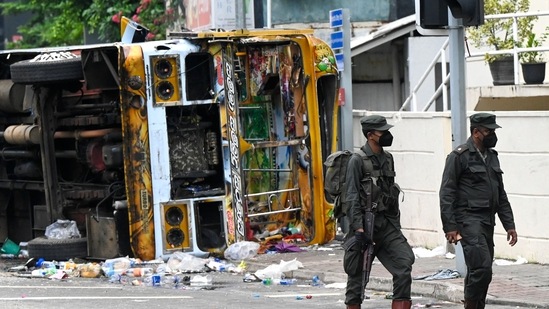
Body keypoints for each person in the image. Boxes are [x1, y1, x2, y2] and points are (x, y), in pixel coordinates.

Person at [439, 113, 518, 309]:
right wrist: (450, 226)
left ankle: (475, 305)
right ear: (476, 132)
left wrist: (509, 224)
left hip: (486, 222)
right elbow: (446, 193)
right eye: (488, 131)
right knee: (482, 268)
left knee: (480, 269)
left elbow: (500, 194)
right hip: (468, 220)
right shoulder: (459, 156)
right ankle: (470, 305)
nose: (492, 135)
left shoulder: (492, 157)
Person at [343, 115, 414, 309]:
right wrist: (358, 228)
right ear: (370, 135)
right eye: (382, 131)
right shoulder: (357, 161)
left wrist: (396, 226)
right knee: (357, 275)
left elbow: (391, 194)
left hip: (386, 224)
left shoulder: (388, 158)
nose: (387, 134)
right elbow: (351, 196)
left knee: (404, 264)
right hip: (365, 226)